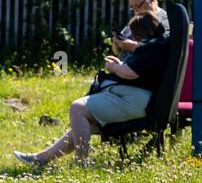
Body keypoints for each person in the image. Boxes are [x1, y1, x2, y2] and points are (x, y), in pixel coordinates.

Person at [14, 10, 169, 166]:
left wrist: (114, 68)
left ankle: (82, 162)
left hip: (134, 100)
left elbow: (131, 74)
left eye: (136, 34)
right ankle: (41, 158)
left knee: (77, 108)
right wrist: (120, 65)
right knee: (82, 124)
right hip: (137, 98)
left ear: (146, 32)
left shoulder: (150, 49)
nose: (134, 38)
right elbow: (141, 72)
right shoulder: (155, 45)